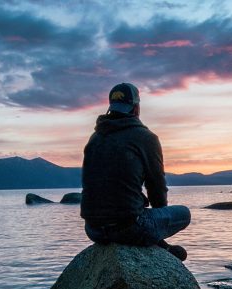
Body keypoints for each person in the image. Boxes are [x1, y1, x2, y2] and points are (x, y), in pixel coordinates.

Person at [80, 82, 190, 261]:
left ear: (111, 107)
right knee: (184, 213)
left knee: (134, 210)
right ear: (136, 108)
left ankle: (161, 246)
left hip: (93, 230)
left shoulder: (95, 138)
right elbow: (156, 187)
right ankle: (160, 245)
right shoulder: (145, 138)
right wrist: (157, 224)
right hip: (129, 228)